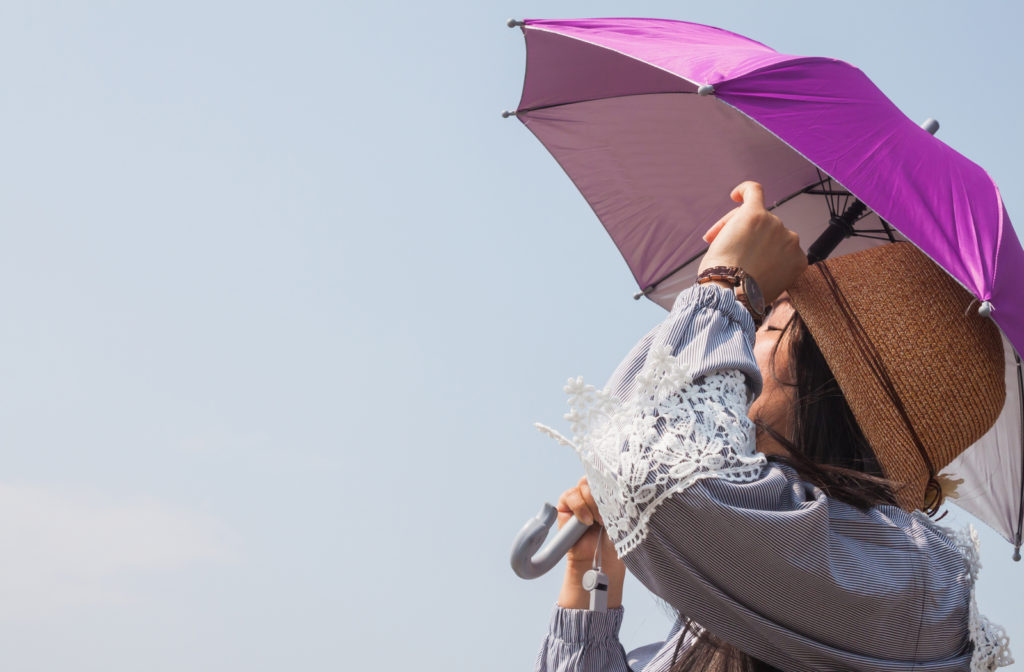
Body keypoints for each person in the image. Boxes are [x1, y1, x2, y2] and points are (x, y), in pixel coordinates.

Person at [534, 182, 1013, 672]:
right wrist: (594, 573)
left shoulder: (914, 583)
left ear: (827, 379)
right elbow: (655, 464)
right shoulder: (757, 569)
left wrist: (726, 283)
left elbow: (664, 476)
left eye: (764, 324)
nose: (737, 342)